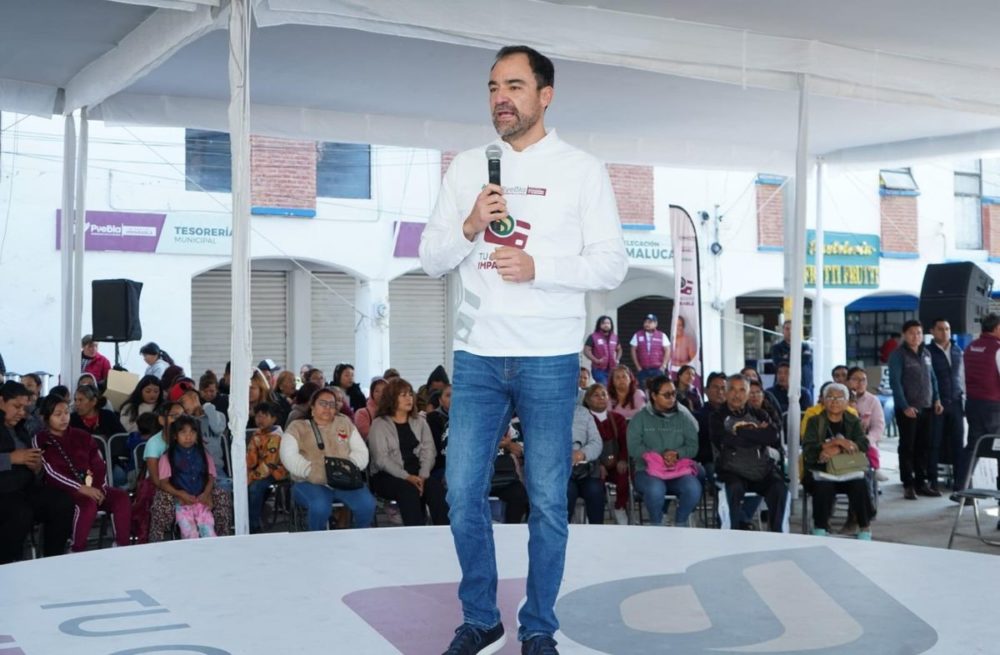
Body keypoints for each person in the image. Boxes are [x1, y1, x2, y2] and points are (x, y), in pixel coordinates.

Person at [418, 44, 628, 655]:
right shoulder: (467, 168)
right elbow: (430, 259)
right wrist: (468, 226)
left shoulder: (582, 169)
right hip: (477, 355)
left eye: (513, 85)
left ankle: (538, 627)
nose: (500, 98)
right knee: (461, 493)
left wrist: (541, 268)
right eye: (492, 87)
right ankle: (481, 617)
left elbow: (611, 264)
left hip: (549, 357)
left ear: (545, 95)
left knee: (548, 502)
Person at [34, 395, 131, 551]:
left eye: (66, 412)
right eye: (57, 414)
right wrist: (81, 488)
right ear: (45, 417)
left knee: (121, 497)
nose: (64, 418)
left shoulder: (82, 435)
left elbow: (99, 463)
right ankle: (77, 549)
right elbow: (51, 472)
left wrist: (98, 487)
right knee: (87, 504)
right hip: (64, 491)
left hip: (93, 487)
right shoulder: (41, 439)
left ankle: (122, 545)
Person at [280, 388, 375, 531]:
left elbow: (361, 452)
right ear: (312, 406)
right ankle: (318, 539)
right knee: (320, 507)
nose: (327, 408)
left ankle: (359, 536)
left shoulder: (344, 423)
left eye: (332, 404)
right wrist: (310, 471)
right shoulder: (297, 427)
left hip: (344, 480)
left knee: (367, 504)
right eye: (322, 403)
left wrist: (347, 468)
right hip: (308, 481)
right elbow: (288, 455)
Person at [0, 382, 73, 563]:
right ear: (1, 401)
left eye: (24, 408)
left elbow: (32, 465)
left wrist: (37, 467)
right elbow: (15, 458)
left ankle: (52, 560)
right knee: (20, 513)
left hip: (25, 487)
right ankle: (7, 565)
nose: (21, 412)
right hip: (4, 491)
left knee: (62, 502)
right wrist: (10, 458)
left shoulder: (21, 428)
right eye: (16, 406)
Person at [710, 374, 788, 532]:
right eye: (732, 389)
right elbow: (726, 440)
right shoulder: (717, 417)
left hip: (760, 469)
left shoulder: (759, 414)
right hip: (732, 470)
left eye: (742, 390)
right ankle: (731, 534)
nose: (736, 394)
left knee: (779, 489)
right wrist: (757, 434)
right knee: (733, 488)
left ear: (747, 394)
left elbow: (772, 437)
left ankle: (778, 536)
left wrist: (740, 431)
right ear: (725, 392)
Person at [367, 378, 448, 526]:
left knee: (435, 488)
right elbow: (381, 459)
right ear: (392, 398)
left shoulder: (420, 422)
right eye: (403, 395)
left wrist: (423, 475)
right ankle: (415, 532)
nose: (409, 398)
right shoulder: (379, 424)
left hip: (418, 473)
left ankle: (444, 531)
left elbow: (429, 450)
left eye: (410, 394)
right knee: (408, 490)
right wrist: (407, 477)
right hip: (387, 475)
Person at [627, 376, 702, 527]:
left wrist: (677, 454)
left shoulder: (683, 418)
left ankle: (680, 522)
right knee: (655, 490)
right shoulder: (640, 418)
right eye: (666, 395)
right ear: (654, 396)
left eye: (674, 393)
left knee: (693, 488)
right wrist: (660, 456)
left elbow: (693, 447)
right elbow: (633, 448)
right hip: (647, 471)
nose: (672, 398)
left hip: (677, 470)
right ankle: (657, 524)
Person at [802, 383, 874, 540]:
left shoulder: (852, 420)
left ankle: (864, 526)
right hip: (821, 471)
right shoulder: (815, 421)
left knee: (860, 484)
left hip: (848, 471)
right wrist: (836, 442)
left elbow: (863, 444)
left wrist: (838, 449)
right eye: (830, 397)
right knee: (823, 487)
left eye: (839, 398)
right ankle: (821, 527)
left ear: (847, 402)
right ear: (823, 401)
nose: (834, 401)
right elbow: (808, 449)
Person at [888, 319, 943, 500]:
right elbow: (895, 383)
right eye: (912, 333)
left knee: (923, 447)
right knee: (907, 447)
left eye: (919, 333)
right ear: (904, 334)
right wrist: (904, 406)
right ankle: (908, 484)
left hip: (927, 407)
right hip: (908, 409)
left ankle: (921, 483)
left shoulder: (926, 353)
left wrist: (937, 399)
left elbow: (932, 378)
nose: (916, 336)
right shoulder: (898, 355)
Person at [960, 313, 1000, 512]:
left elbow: (962, 378)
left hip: (973, 403)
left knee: (974, 446)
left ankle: (962, 488)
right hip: (994, 406)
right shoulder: (997, 348)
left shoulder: (970, 348)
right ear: (996, 328)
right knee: (998, 448)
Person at [158, 416, 217, 539]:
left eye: (192, 432)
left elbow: (211, 476)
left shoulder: (204, 454)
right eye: (183, 432)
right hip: (182, 504)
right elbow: (164, 482)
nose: (188, 436)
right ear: (175, 436)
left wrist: (206, 494)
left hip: (202, 501)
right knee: (190, 534)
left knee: (209, 533)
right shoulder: (168, 457)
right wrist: (180, 494)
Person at [927, 318, 965, 493]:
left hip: (956, 402)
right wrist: (934, 399)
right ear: (932, 331)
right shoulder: (927, 352)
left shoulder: (957, 350)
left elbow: (962, 376)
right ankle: (933, 482)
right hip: (936, 403)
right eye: (941, 329)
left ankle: (960, 483)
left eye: (947, 329)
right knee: (934, 443)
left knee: (958, 443)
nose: (945, 332)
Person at [582, 384, 629, 525]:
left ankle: (620, 507)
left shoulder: (618, 418)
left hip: (615, 461)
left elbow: (624, 443)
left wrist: (622, 459)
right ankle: (595, 516)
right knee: (596, 483)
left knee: (624, 475)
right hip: (594, 464)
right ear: (588, 400)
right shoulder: (583, 419)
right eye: (596, 395)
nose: (601, 398)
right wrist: (598, 464)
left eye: (604, 394)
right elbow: (584, 445)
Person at [70, 384, 128, 486]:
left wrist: (106, 441)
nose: (77, 404)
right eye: (75, 400)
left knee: (120, 477)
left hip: (109, 462)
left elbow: (121, 439)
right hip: (81, 465)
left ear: (93, 401)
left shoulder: (108, 416)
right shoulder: (72, 419)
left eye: (81, 400)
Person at [566, 403, 604, 525]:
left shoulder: (583, 412)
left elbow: (596, 442)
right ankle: (562, 530)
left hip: (585, 469)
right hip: (561, 471)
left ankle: (597, 531)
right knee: (566, 492)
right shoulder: (547, 410)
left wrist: (583, 453)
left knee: (595, 490)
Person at [846, 367, 887, 482]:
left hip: (864, 438)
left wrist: (866, 440)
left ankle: (874, 471)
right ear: (848, 381)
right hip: (845, 438)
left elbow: (878, 427)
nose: (860, 383)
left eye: (863, 380)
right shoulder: (842, 398)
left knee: (870, 450)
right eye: (855, 379)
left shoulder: (873, 400)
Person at [769, 320, 814, 395]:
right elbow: (778, 363)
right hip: (783, 387)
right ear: (783, 331)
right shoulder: (776, 348)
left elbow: (806, 360)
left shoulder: (805, 346)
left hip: (804, 384)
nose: (790, 331)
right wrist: (797, 358)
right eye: (787, 329)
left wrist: (787, 358)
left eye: (793, 329)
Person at [630, 314, 671, 389]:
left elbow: (667, 350)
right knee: (643, 390)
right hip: (643, 369)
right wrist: (638, 366)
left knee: (658, 390)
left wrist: (663, 366)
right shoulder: (637, 335)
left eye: (650, 322)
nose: (647, 324)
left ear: (656, 324)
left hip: (657, 370)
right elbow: (633, 350)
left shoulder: (662, 335)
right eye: (645, 322)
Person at [583, 315, 621, 386]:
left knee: (611, 388)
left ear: (611, 325)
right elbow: (586, 350)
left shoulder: (615, 337)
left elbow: (619, 349)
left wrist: (617, 360)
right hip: (598, 369)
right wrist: (596, 360)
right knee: (604, 386)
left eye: (608, 323)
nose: (606, 325)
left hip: (612, 369)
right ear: (599, 325)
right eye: (603, 323)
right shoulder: (593, 337)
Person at [425, 383, 452, 477]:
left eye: (456, 395)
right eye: (448, 395)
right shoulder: (433, 418)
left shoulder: (467, 418)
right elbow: (436, 450)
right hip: (441, 465)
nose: (453, 399)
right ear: (440, 401)